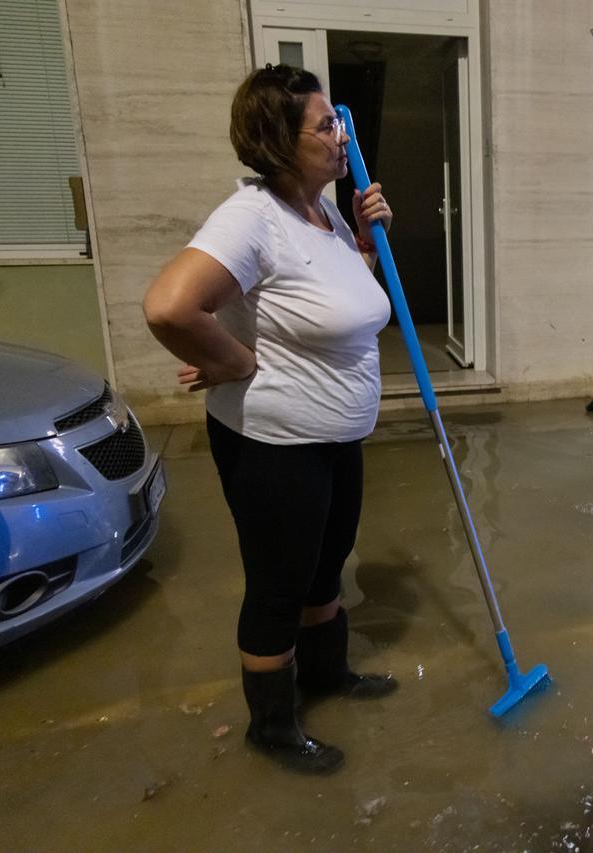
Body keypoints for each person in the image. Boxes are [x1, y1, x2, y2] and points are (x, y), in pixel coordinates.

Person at [143, 64, 397, 774]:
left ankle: (326, 675)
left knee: (326, 568)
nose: (339, 133)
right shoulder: (251, 217)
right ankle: (274, 726)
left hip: (336, 436)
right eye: (325, 124)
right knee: (281, 583)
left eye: (335, 121)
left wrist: (368, 247)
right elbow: (171, 306)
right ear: (279, 140)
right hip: (275, 443)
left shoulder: (325, 212)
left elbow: (332, 304)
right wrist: (228, 361)